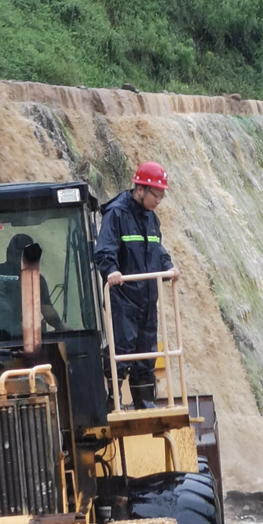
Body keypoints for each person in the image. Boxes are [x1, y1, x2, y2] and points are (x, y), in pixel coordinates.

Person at [93, 161, 174, 409]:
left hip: (148, 298)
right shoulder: (116, 214)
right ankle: (112, 400)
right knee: (123, 348)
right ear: (140, 189)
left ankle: (145, 402)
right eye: (155, 195)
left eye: (161, 196)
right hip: (124, 297)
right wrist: (112, 270)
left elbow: (157, 249)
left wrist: (168, 266)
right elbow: (104, 249)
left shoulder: (152, 219)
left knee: (147, 352)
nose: (158, 201)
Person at [0, 234, 66, 340]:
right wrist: (61, 327)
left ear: (8, 252)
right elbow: (47, 310)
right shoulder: (34, 278)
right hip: (19, 340)